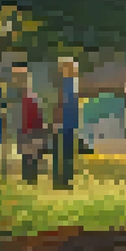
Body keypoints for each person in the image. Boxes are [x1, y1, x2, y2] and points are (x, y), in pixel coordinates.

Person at [14, 64, 48, 184]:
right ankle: (28, 177)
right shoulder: (19, 95)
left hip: (32, 129)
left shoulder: (32, 96)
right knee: (26, 154)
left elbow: (38, 114)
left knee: (31, 154)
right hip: (24, 129)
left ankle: (31, 178)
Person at [53, 56, 81, 190]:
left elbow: (71, 103)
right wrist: (57, 121)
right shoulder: (63, 84)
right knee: (62, 153)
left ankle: (66, 179)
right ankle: (61, 180)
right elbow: (60, 104)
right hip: (64, 122)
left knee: (68, 153)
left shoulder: (72, 83)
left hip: (70, 122)